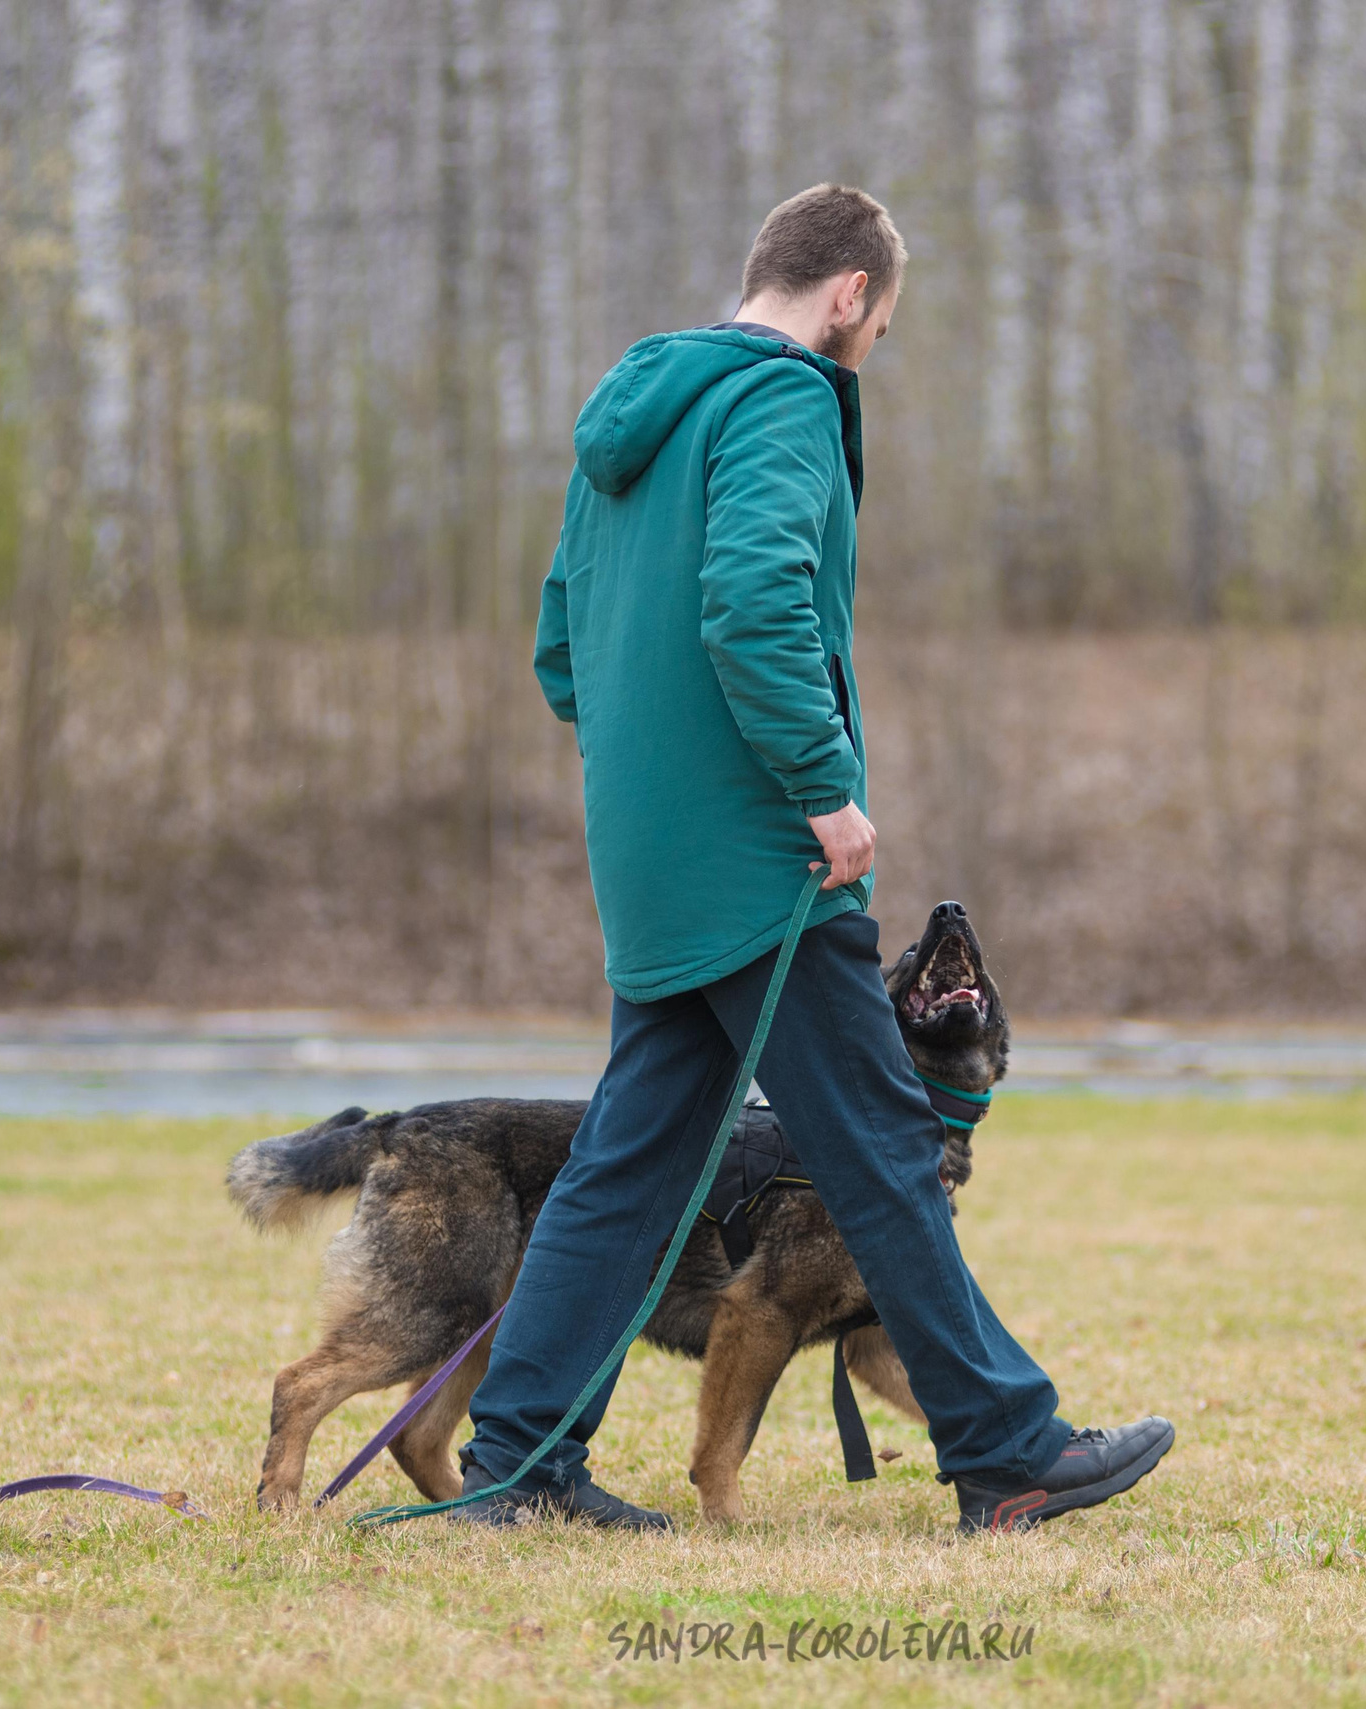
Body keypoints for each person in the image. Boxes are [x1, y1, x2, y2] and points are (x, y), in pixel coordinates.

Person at [457, 183, 1173, 1534]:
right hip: (765, 861)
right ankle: (1009, 1447)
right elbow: (755, 602)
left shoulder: (631, 421)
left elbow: (565, 657)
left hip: (653, 866)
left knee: (634, 1157)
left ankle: (517, 1462)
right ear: (848, 294)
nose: (872, 348)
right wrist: (822, 786)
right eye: (883, 327)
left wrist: (658, 766)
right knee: (883, 1143)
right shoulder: (779, 399)